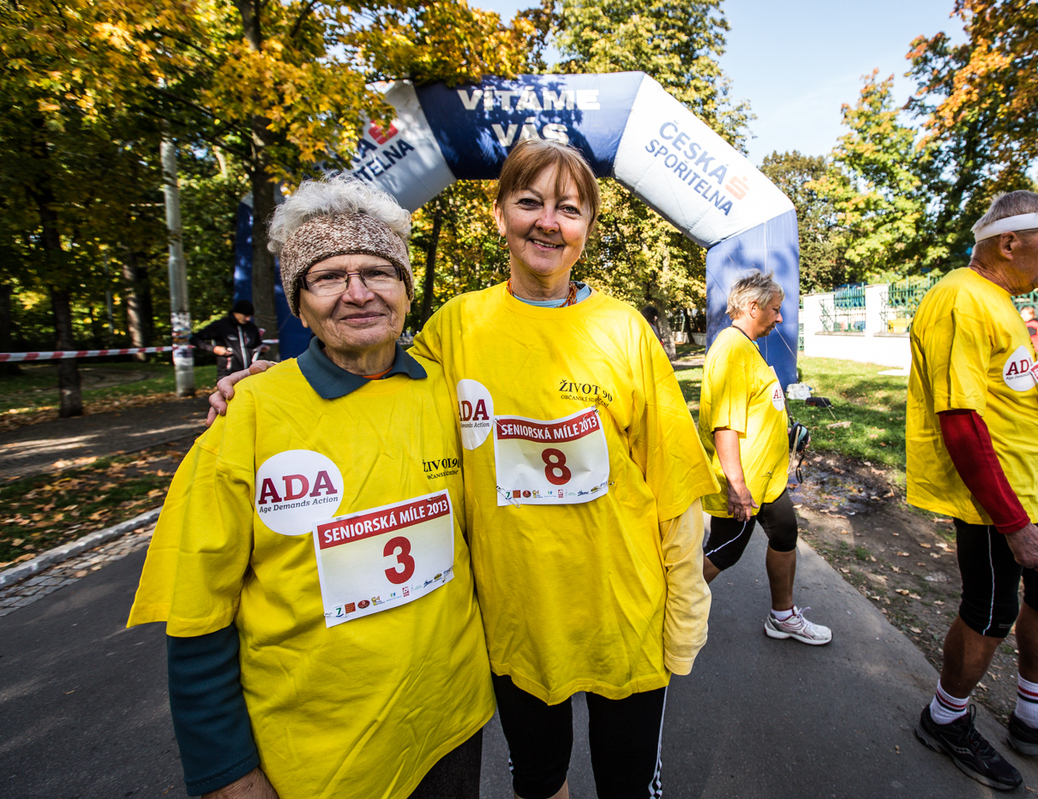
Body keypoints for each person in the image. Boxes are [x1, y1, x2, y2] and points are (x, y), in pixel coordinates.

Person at [209, 140, 717, 799]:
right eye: (528, 201)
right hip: (514, 624)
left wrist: (685, 618)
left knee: (628, 787)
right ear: (499, 213)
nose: (547, 221)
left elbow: (678, 494)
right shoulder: (457, 326)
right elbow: (377, 381)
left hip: (625, 616)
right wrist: (278, 382)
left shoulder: (624, 331)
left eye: (568, 208)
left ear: (588, 227)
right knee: (539, 783)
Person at [129, 175, 494, 799]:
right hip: (320, 763)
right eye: (328, 277)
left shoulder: (451, 392)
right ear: (299, 304)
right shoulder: (249, 414)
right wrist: (225, 771)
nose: (357, 294)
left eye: (378, 272)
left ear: (406, 291)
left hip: (452, 724)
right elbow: (196, 613)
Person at [906, 190, 1038, 792]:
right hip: (993, 500)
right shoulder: (960, 299)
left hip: (1027, 489)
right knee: (991, 610)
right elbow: (961, 419)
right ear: (1009, 242)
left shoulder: (996, 298)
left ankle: (1035, 716)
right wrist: (1012, 523)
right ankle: (945, 718)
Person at [699, 272, 831, 646]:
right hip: (745, 484)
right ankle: (659, 613)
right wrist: (737, 488)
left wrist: (786, 432)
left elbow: (756, 406)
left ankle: (783, 616)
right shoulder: (731, 350)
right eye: (775, 309)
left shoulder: (746, 345)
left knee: (785, 534)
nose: (779, 318)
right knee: (724, 552)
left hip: (767, 480)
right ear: (753, 307)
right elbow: (724, 426)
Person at [190, 299, 264, 378]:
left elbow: (256, 346)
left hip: (249, 373)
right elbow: (195, 338)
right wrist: (214, 349)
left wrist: (262, 349)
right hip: (228, 373)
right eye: (245, 316)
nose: (248, 319)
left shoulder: (251, 328)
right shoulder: (221, 325)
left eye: (250, 316)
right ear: (236, 313)